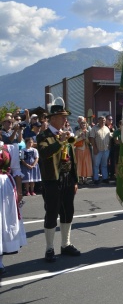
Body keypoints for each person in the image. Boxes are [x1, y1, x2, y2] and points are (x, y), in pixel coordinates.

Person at [37, 104, 81, 262]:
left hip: (68, 180)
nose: (65, 119)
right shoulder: (43, 136)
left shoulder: (66, 134)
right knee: (51, 213)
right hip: (52, 181)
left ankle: (65, 244)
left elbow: (73, 159)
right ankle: (49, 248)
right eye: (62, 117)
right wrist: (59, 142)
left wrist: (75, 180)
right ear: (52, 119)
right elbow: (44, 153)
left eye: (65, 117)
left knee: (68, 211)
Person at [0, 139, 27, 276]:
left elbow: (16, 170)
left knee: (4, 222)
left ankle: (0, 260)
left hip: (6, 188)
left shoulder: (9, 148)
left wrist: (20, 192)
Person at [89, 116, 112, 184]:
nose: (103, 121)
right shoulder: (94, 128)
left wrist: (109, 146)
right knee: (96, 165)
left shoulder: (107, 128)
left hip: (106, 149)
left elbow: (109, 138)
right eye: (102, 120)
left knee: (104, 164)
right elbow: (92, 139)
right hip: (97, 150)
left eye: (104, 120)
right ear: (98, 120)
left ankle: (105, 178)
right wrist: (95, 148)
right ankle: (96, 179)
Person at [74, 118, 93, 185]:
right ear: (80, 125)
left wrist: (86, 138)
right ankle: (80, 179)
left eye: (84, 124)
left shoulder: (88, 132)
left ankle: (86, 178)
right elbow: (75, 140)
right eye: (82, 124)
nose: (83, 125)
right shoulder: (77, 131)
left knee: (86, 164)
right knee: (80, 164)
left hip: (86, 149)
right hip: (79, 149)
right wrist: (81, 137)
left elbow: (90, 142)